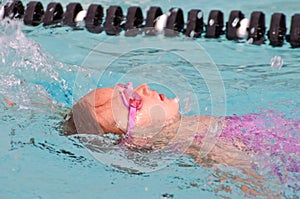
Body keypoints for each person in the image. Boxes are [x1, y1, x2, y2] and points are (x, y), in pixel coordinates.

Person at [64, 82, 299, 196]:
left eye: (130, 87)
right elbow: (243, 174)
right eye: (134, 99)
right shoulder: (188, 139)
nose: (144, 87)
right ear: (138, 139)